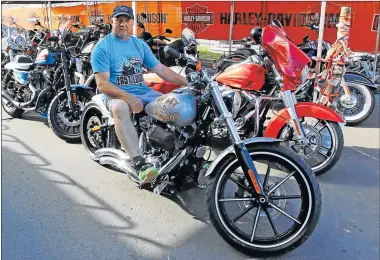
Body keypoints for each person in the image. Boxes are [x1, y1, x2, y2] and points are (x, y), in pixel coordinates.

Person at [91, 5, 187, 186]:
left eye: (126, 20)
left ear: (132, 22)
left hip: (144, 92)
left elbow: (161, 70)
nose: (122, 24)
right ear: (112, 21)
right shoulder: (102, 48)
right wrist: (129, 98)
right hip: (116, 95)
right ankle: (139, 163)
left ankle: (177, 151)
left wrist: (186, 82)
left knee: (178, 103)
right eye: (119, 20)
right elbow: (102, 84)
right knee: (120, 107)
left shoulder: (139, 45)